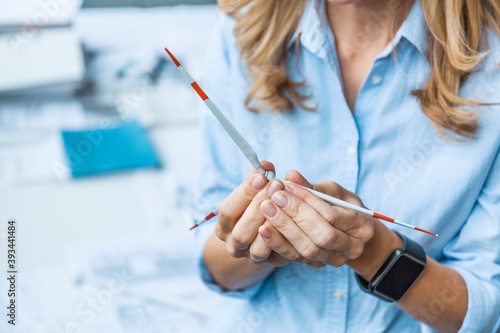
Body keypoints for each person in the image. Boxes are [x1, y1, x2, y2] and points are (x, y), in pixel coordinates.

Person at [192, 0, 500, 331]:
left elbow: (487, 312)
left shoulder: (491, 67)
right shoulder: (243, 26)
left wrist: (374, 251)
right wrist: (257, 238)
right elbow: (214, 267)